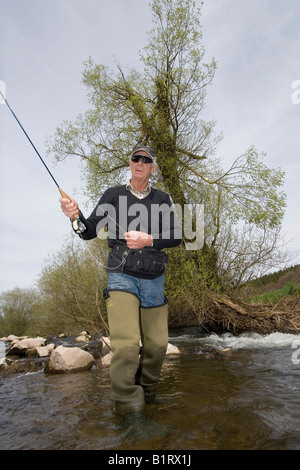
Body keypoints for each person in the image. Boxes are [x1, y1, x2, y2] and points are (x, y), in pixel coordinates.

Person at [59, 145, 182, 417]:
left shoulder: (162, 198)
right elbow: (88, 232)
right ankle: (128, 408)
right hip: (121, 274)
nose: (139, 162)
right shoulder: (113, 195)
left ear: (153, 168)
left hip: (154, 278)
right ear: (130, 164)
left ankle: (148, 394)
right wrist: (74, 216)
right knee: (126, 346)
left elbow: (176, 236)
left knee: (158, 345)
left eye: (146, 160)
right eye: (135, 158)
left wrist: (150, 239)